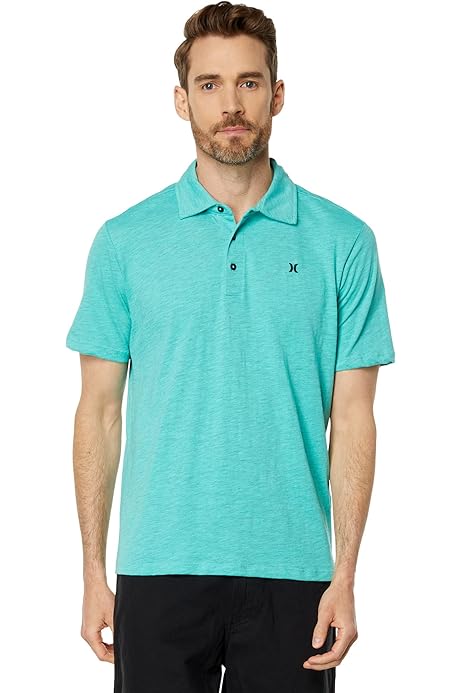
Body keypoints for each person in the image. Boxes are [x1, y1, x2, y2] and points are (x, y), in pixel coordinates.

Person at [65, 2, 396, 691]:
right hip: (158, 566)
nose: (231, 104)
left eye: (249, 82)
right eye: (210, 84)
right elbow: (98, 412)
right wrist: (93, 570)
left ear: (277, 94)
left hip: (294, 571)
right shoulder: (125, 242)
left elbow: (354, 418)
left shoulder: (344, 242)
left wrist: (345, 574)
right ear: (181, 100)